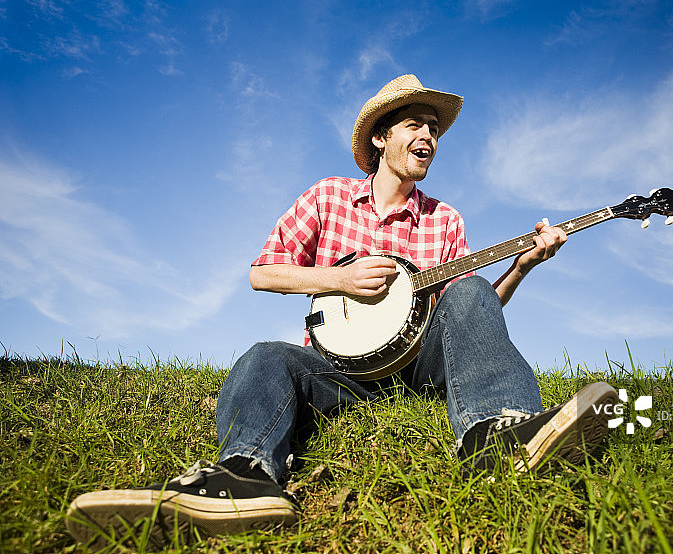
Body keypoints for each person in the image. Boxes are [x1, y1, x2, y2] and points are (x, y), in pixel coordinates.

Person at [66, 74, 619, 547]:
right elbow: (263, 272)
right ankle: (244, 476)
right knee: (266, 356)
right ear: (381, 137)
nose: (429, 135)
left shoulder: (445, 219)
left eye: (434, 127)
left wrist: (521, 267)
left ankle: (499, 436)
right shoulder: (328, 196)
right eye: (415, 124)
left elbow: (472, 318)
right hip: (337, 369)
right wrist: (338, 279)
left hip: (414, 368)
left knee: (468, 291)